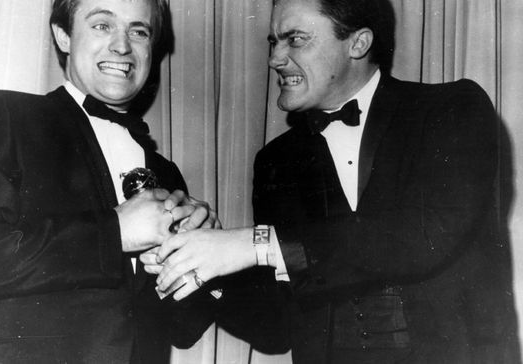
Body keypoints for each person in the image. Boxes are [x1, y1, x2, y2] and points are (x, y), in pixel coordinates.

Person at [148, 0, 520, 362]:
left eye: (295, 39)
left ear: (357, 43)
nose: (275, 58)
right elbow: (276, 327)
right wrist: (203, 268)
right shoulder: (276, 161)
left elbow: (425, 233)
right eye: (273, 42)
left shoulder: (451, 109)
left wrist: (255, 244)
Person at [0, 0, 217, 363]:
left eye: (138, 31)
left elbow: (182, 331)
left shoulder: (165, 172)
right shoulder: (6, 116)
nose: (122, 46)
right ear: (63, 36)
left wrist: (205, 256)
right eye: (102, 25)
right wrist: (115, 232)